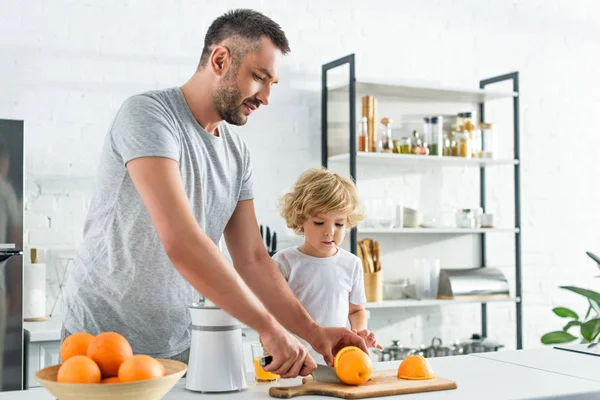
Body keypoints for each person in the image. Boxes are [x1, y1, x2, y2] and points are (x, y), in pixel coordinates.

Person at [62, 9, 367, 378]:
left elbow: (253, 259)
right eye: (259, 78)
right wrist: (270, 329)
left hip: (180, 347)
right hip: (101, 342)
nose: (266, 97)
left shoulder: (237, 154)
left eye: (273, 84)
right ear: (220, 59)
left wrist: (313, 332)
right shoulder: (148, 116)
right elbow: (183, 242)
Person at [273, 168, 383, 365]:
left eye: (339, 224)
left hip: (337, 363)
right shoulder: (285, 262)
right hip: (294, 362)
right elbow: (272, 314)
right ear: (301, 219)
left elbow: (356, 310)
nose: (330, 232)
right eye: (319, 222)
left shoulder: (352, 264)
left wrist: (359, 331)